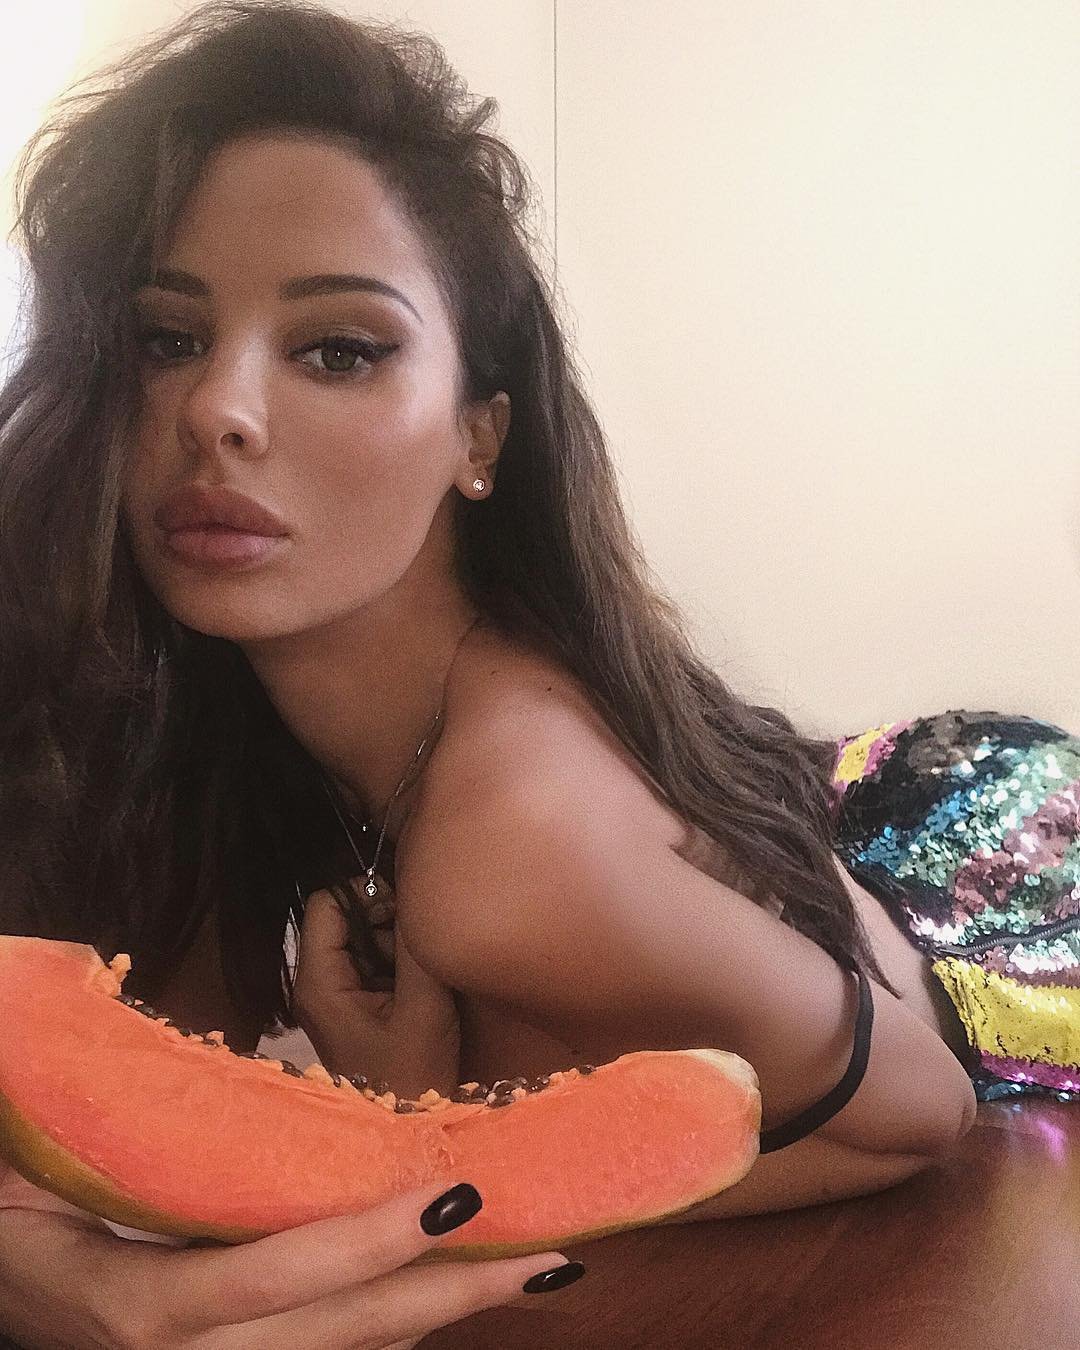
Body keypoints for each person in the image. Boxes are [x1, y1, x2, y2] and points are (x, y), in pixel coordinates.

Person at [0, 0, 1075, 1343]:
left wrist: (430, 1144)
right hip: (835, 797)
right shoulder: (231, 725)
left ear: (480, 437)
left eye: (339, 349)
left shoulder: (512, 844)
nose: (218, 409)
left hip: (1005, 888)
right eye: (167, 338)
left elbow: (922, 1106)